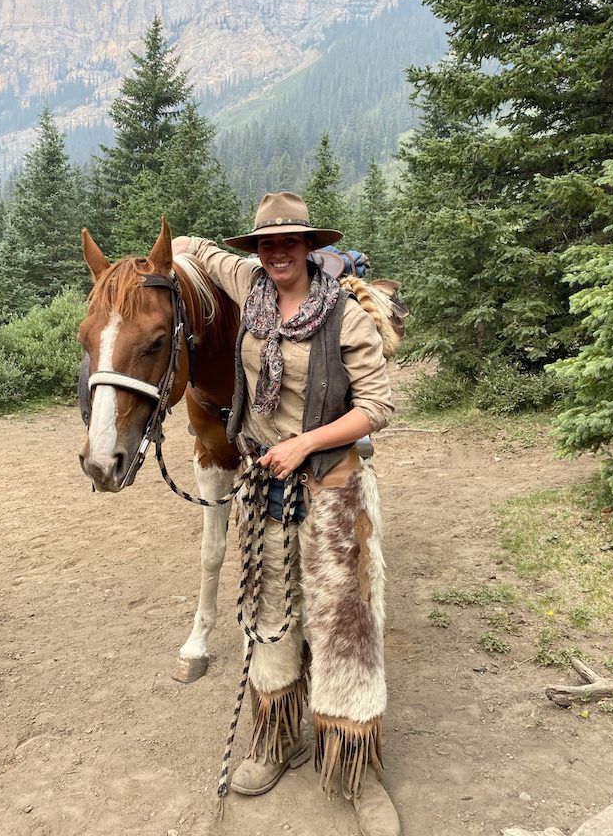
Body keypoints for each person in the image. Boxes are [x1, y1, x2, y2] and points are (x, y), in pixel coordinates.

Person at [172, 191, 400, 836]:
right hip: (263, 487)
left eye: (289, 242)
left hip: (332, 486)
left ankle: (358, 769)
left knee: (343, 622)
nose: (277, 252)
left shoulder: (345, 316)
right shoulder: (250, 286)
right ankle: (278, 739)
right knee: (268, 615)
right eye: (267, 243)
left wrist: (303, 442)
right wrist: (175, 249)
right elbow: (198, 254)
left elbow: (377, 407)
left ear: (309, 248)